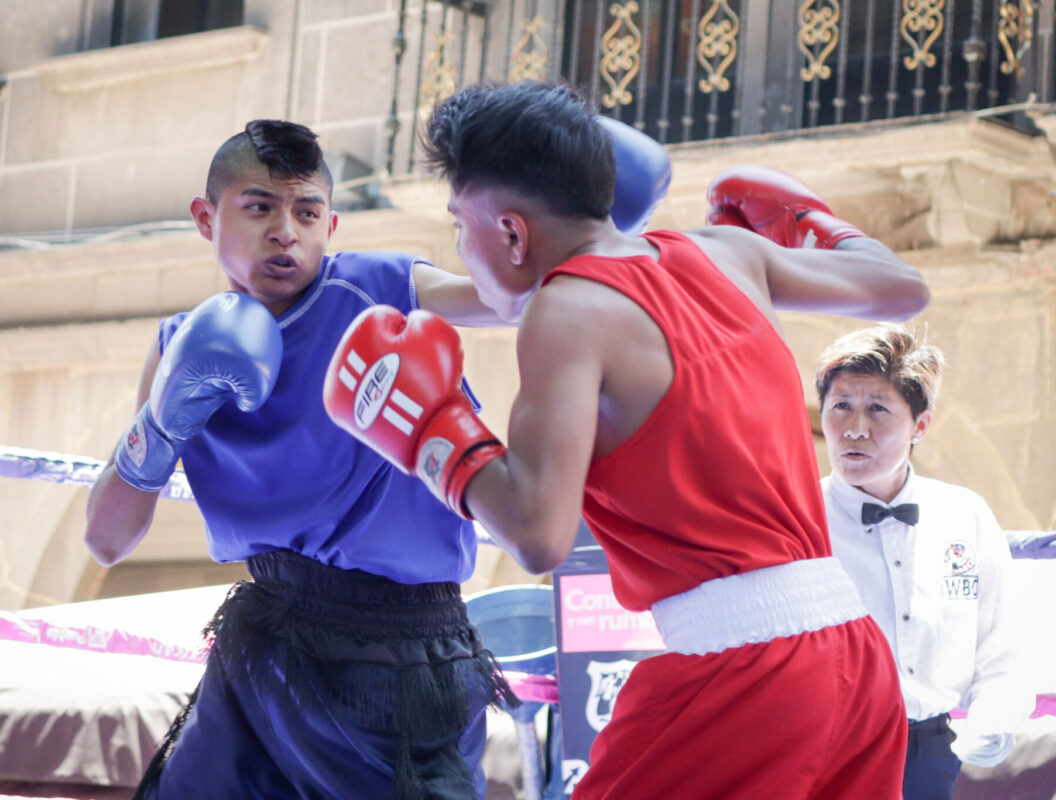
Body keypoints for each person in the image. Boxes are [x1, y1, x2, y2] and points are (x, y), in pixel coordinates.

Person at [323, 80, 931, 799]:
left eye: (461, 224)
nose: (461, 246)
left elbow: (538, 534)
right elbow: (900, 287)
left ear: (512, 233)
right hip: (855, 656)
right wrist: (805, 220)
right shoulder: (726, 252)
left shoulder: (566, 310)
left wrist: (434, 435)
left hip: (742, 674)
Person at [84, 116, 670, 800]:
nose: (285, 232)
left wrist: (587, 228)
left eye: (307, 212)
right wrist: (163, 421)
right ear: (205, 218)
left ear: (331, 227)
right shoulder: (179, 345)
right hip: (265, 643)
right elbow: (105, 541)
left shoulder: (378, 289)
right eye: (259, 208)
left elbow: (510, 296)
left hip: (400, 659)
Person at [816, 324, 1032, 800]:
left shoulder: (965, 514)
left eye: (878, 408)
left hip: (933, 755)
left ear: (920, 425)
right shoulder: (796, 519)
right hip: (822, 754)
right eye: (841, 406)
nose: (855, 427)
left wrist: (992, 721)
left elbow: (1001, 644)